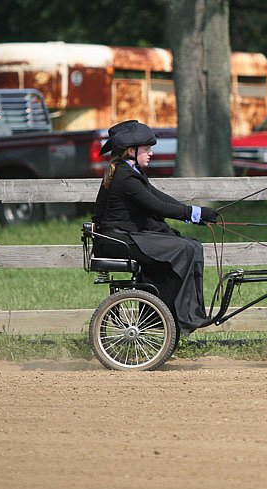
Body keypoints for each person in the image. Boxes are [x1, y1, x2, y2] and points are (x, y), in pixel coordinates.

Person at [92, 120, 218, 337]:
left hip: (125, 237)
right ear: (131, 151)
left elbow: (159, 197)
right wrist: (194, 213)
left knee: (192, 246)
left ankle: (187, 314)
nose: (151, 153)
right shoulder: (126, 177)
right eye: (147, 149)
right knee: (184, 249)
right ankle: (173, 317)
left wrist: (196, 214)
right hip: (117, 241)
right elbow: (156, 206)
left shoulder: (130, 172)